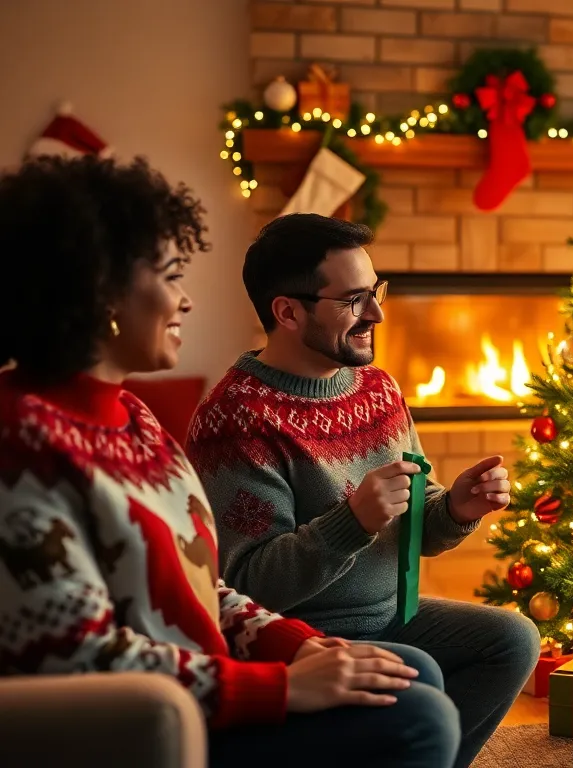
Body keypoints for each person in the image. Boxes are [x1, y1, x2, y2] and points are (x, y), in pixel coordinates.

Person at [0, 156, 457, 767]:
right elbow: (81, 657)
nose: (185, 300)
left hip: (208, 680)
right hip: (151, 721)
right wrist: (283, 686)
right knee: (419, 716)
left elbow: (204, 588)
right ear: (98, 291)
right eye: (170, 276)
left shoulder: (134, 420)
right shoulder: (21, 448)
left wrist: (299, 648)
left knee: (411, 672)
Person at [184, 213, 539, 768]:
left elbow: (416, 523)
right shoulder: (234, 421)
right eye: (353, 300)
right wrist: (352, 522)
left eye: (375, 291)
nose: (375, 313)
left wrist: (454, 508)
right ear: (288, 312)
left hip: (395, 613)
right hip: (305, 636)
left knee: (513, 639)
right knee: (416, 672)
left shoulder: (378, 388)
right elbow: (249, 584)